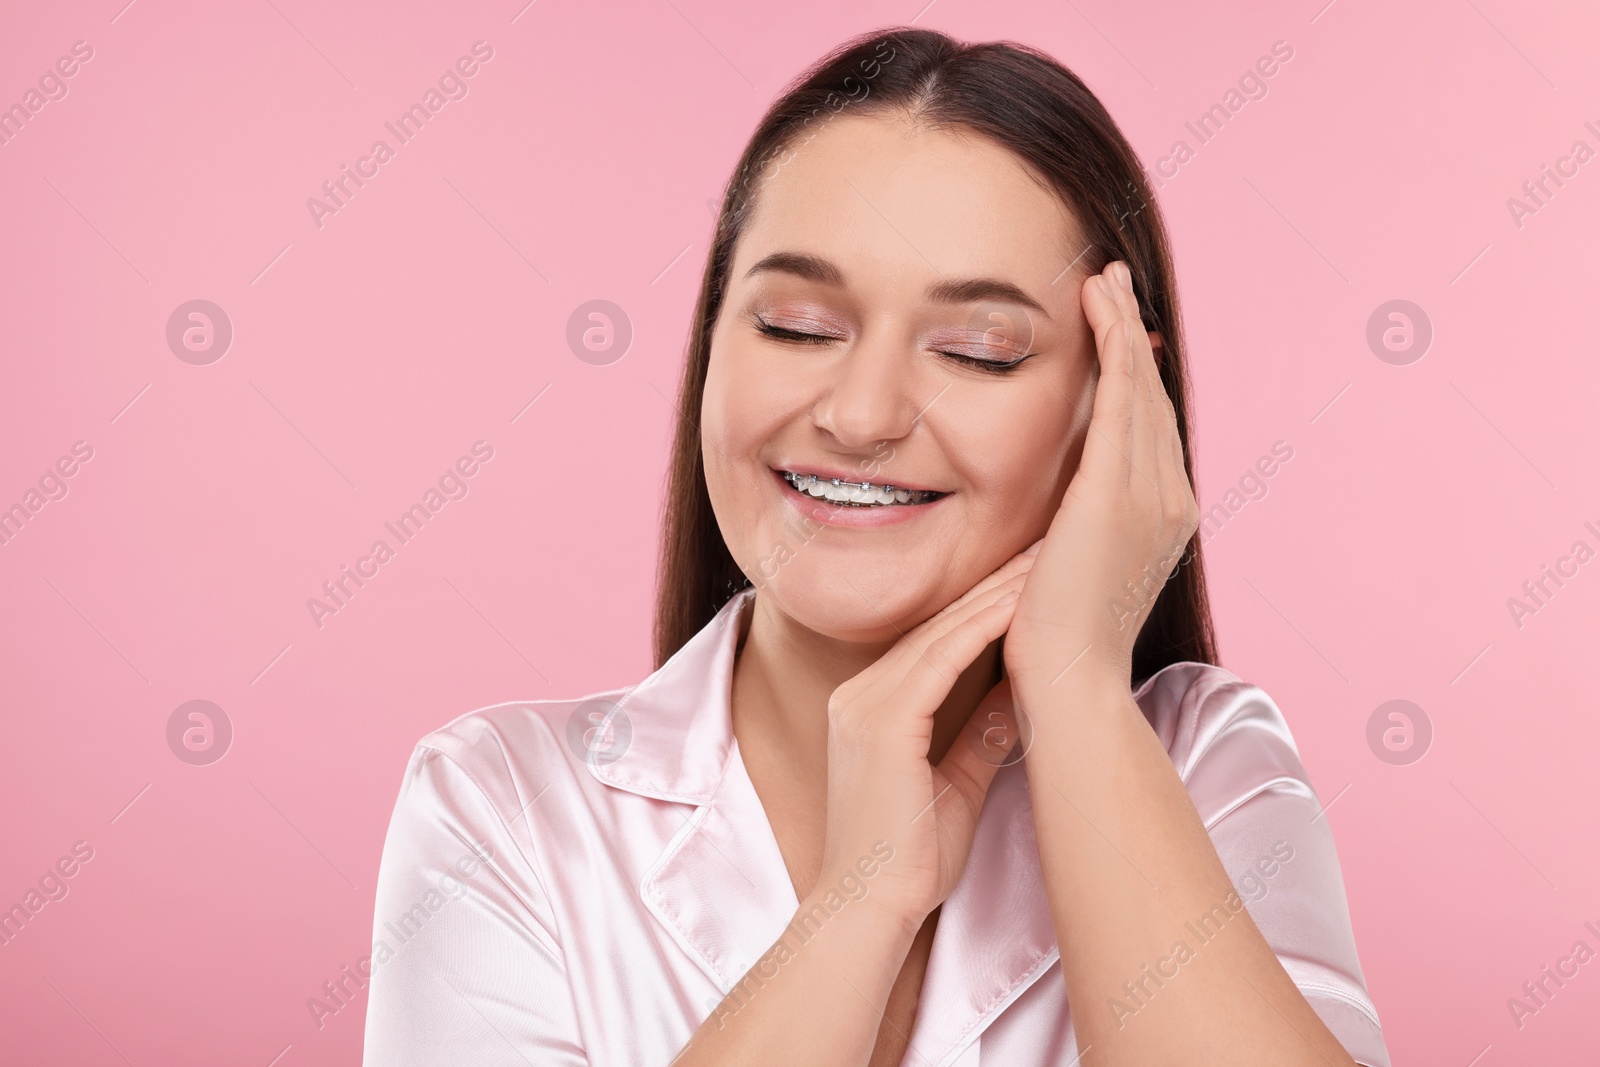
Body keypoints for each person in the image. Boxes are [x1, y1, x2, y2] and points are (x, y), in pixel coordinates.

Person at [363, 26, 1388, 1067]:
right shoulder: (501, 801)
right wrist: (859, 906)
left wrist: (1075, 688)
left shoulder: (1205, 765)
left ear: (1117, 405)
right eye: (797, 328)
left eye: (976, 351)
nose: (859, 415)